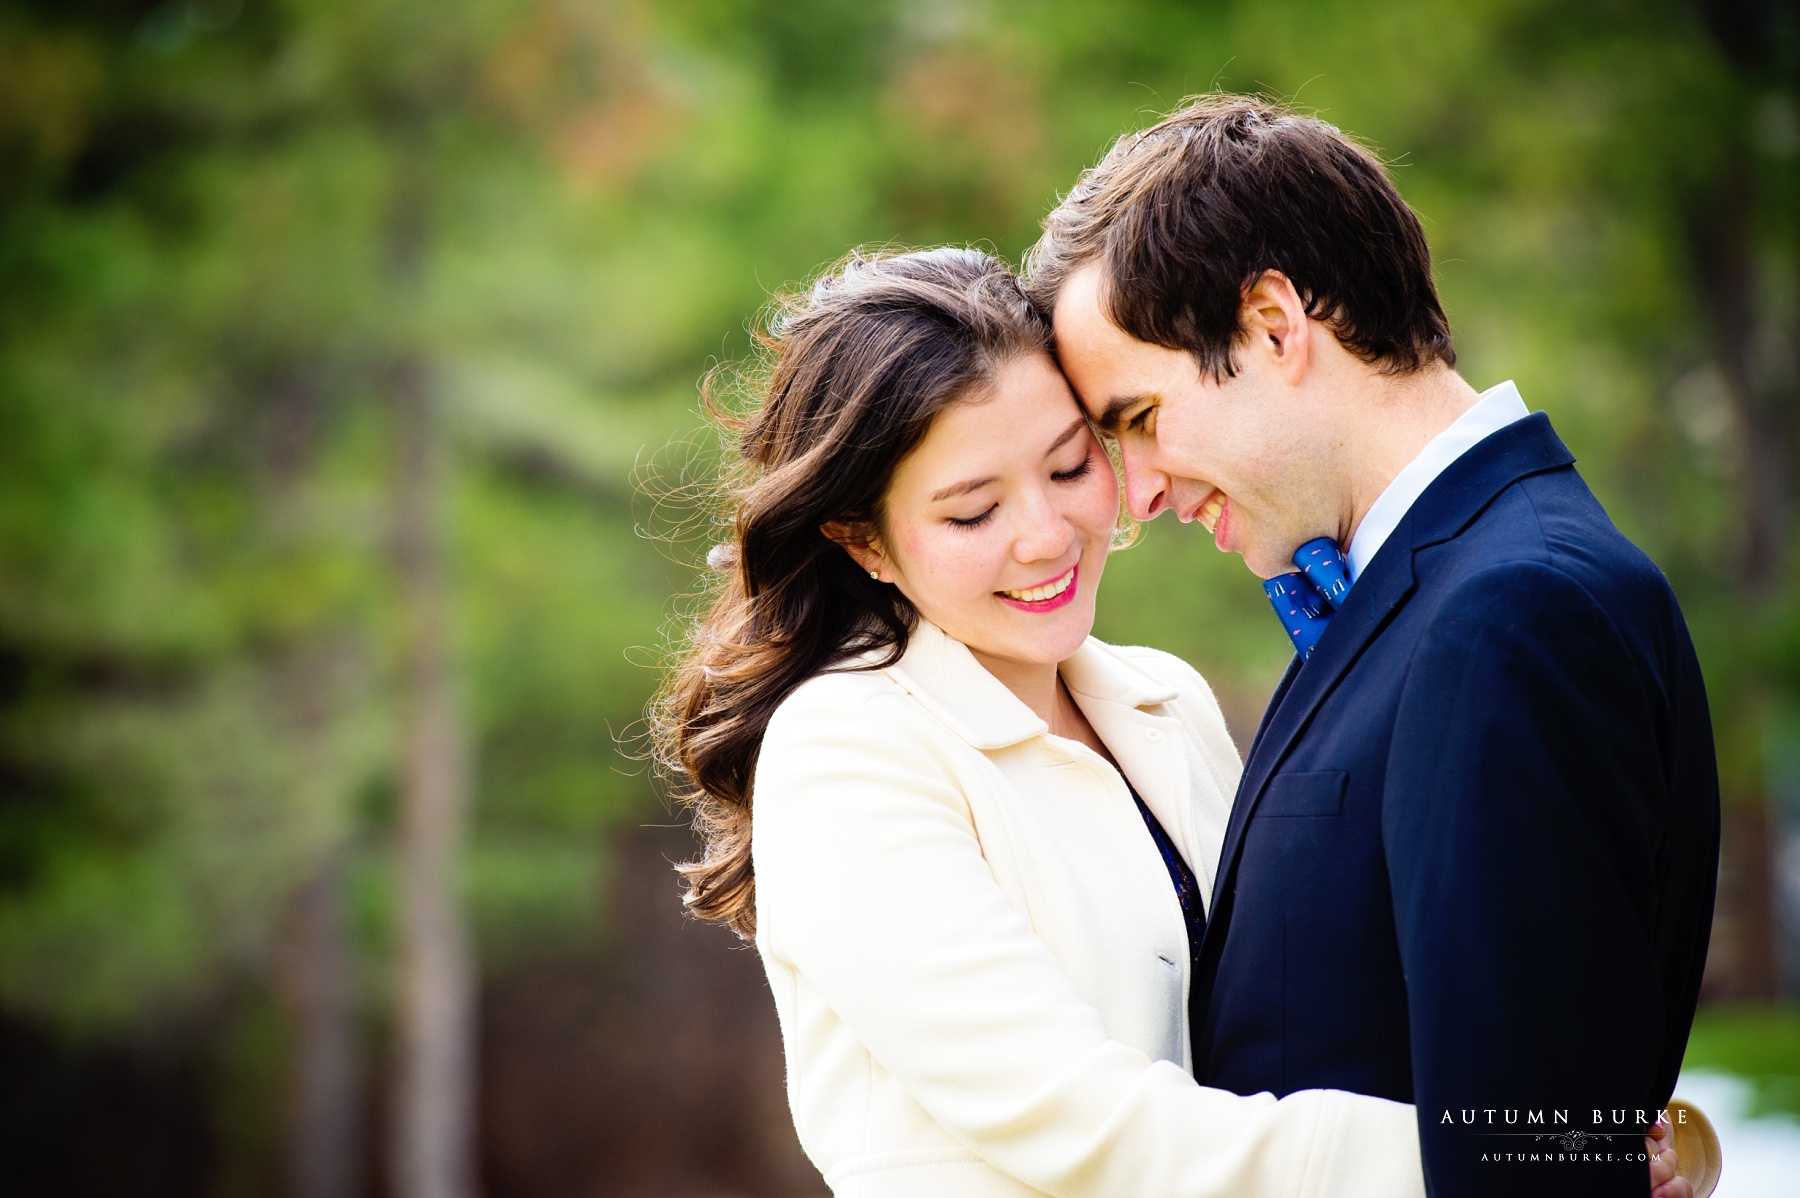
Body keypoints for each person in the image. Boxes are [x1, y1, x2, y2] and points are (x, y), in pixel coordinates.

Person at [653, 246, 1692, 1197]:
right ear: (864, 543)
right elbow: (1079, 1120)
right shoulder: (850, 748)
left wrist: (1593, 1135)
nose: (1047, 534)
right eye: (972, 511)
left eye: (1070, 465)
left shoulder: (1165, 702)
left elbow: (1285, 1032)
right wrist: (1491, 1158)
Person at [1027, 94, 1721, 1198]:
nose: (1139, 493)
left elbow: (1526, 1157)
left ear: (1272, 325)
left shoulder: (1509, 617)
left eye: (1141, 418)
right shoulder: (1438, 593)